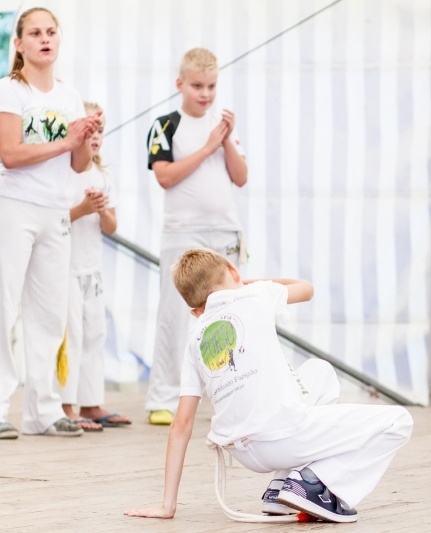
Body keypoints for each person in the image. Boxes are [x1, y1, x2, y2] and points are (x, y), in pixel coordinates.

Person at [124, 248, 413, 523]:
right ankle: (314, 483)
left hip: (243, 449)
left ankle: (279, 489)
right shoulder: (255, 294)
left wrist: (167, 504)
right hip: (282, 434)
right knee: (399, 421)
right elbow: (306, 288)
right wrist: (249, 283)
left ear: (195, 312)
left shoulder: (195, 340)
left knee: (319, 372)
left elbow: (181, 425)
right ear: (233, 271)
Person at [0, 7, 102, 439]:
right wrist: (64, 140)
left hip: (56, 211)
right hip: (15, 206)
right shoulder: (10, 91)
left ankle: (42, 410)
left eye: (51, 32)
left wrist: (82, 139)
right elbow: (10, 154)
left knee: (49, 314)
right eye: (35, 33)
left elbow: (80, 166)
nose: (45, 39)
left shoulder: (70, 95)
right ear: (19, 44)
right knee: (5, 308)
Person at [144, 47, 248, 425]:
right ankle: (162, 397)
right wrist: (207, 147)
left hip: (224, 229)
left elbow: (241, 176)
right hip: (182, 230)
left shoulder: (223, 128)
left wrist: (224, 142)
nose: (206, 93)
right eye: (198, 85)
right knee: (174, 314)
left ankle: (234, 396)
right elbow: (165, 176)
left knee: (231, 315)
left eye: (212, 86)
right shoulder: (164, 125)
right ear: (180, 84)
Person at [56, 102, 131, 432]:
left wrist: (100, 211)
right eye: (90, 131)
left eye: (100, 131)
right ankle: (66, 404)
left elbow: (112, 226)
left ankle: (90, 401)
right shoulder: (60, 173)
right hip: (65, 267)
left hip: (92, 267)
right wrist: (83, 207)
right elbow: (53, 221)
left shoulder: (103, 174)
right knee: (69, 336)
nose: (96, 137)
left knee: (94, 334)